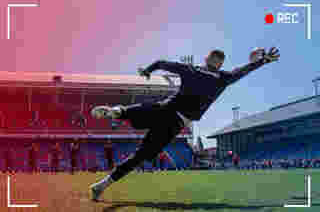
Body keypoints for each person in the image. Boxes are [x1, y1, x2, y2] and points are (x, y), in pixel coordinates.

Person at [89, 47, 280, 201]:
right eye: (217, 58)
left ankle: (117, 114)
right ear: (215, 62)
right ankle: (117, 115)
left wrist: (148, 70)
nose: (216, 61)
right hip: (176, 120)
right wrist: (262, 60)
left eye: (216, 59)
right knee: (141, 153)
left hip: (168, 111)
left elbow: (162, 63)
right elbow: (242, 71)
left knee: (143, 125)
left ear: (209, 59)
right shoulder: (222, 78)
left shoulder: (195, 70)